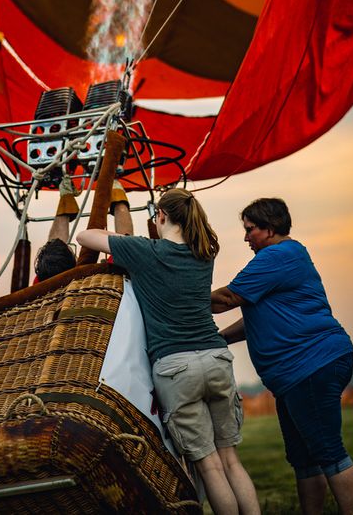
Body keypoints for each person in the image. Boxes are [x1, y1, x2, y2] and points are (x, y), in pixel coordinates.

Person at [78, 188, 260, 515]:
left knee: (209, 467)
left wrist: (118, 237)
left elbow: (84, 235)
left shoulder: (145, 252)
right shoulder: (204, 253)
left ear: (161, 216)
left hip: (176, 367)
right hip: (216, 358)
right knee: (231, 461)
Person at [211, 198, 353, 515]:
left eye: (249, 230)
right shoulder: (285, 256)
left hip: (311, 364)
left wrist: (177, 297)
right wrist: (220, 338)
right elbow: (258, 318)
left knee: (327, 450)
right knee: (304, 458)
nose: (245, 237)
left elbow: (227, 298)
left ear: (269, 228)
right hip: (297, 373)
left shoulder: (277, 256)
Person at [33, 177, 133, 282]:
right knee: (126, 246)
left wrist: (65, 197)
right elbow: (126, 241)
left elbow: (53, 251)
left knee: (53, 255)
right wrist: (116, 189)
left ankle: (66, 200)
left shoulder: (42, 288)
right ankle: (116, 188)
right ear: (75, 261)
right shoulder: (94, 280)